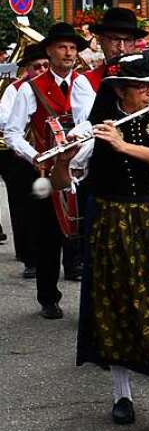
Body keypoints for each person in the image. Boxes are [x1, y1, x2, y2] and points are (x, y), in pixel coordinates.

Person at [47, 50, 149, 431]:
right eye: (141, 87)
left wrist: (123, 145)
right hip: (113, 220)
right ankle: (122, 395)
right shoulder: (99, 126)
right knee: (116, 302)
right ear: (120, 92)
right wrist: (62, 159)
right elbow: (63, 185)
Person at [4, 23, 95, 319]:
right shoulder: (29, 88)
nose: (69, 53)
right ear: (49, 51)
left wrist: (79, 150)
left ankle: (85, 293)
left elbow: (91, 122)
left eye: (72, 48)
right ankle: (48, 297)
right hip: (46, 168)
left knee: (82, 232)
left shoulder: (83, 84)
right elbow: (13, 132)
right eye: (62, 47)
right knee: (47, 235)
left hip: (78, 166)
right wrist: (36, 157)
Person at [0, 43, 49, 275]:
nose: (41, 70)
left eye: (45, 66)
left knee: (49, 206)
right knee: (23, 207)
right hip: (22, 155)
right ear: (26, 69)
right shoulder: (15, 88)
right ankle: (29, 258)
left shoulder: (53, 87)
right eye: (36, 66)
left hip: (49, 154)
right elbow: (3, 119)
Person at [84, 7, 149, 92]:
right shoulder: (85, 82)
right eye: (115, 39)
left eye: (127, 40)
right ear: (101, 40)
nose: (121, 48)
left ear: (134, 43)